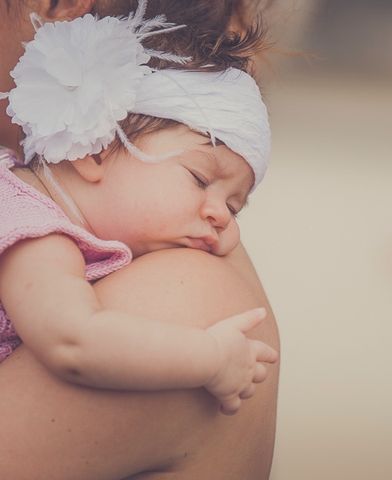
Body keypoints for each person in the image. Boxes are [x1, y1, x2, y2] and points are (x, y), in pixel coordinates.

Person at [0, 1, 281, 479]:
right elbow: (75, 341)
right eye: (198, 179)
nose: (222, 220)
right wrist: (210, 359)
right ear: (98, 149)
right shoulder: (33, 227)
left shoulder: (182, 284)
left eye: (235, 207)